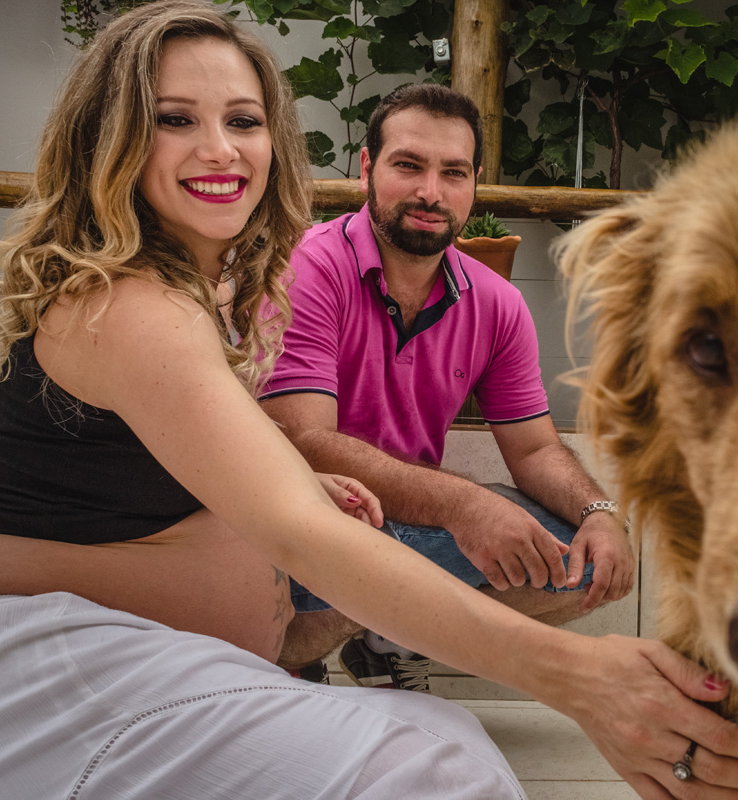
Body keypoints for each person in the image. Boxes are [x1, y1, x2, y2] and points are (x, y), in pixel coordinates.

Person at [0, 2, 738, 798]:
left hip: (170, 636)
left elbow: (139, 463)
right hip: (74, 663)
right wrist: (579, 677)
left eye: (244, 120)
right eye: (175, 119)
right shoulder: (145, 307)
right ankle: (356, 644)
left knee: (450, 726)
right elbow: (298, 517)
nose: (219, 148)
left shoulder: (202, 287)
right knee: (437, 769)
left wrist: (601, 513)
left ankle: (373, 641)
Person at [258, 83, 635, 688]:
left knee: (586, 561)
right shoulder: (307, 267)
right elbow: (304, 442)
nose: (431, 193)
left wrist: (601, 512)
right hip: (300, 525)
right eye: (408, 165)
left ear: (474, 184)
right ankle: (302, 646)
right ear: (366, 169)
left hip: (405, 523)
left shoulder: (497, 303)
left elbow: (536, 449)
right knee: (389, 533)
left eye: (453, 172)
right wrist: (467, 506)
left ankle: (387, 632)